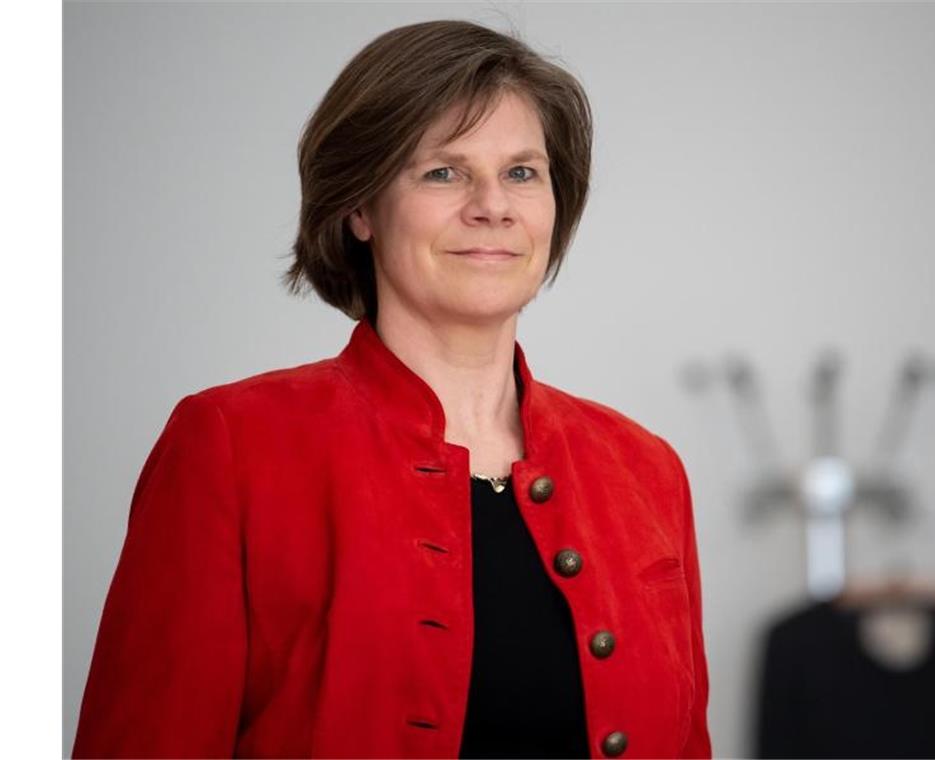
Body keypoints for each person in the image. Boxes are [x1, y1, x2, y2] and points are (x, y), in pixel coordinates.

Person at [72, 19, 711, 759]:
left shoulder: (644, 470)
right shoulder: (232, 445)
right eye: (444, 171)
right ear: (361, 208)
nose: (492, 206)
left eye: (522, 172)